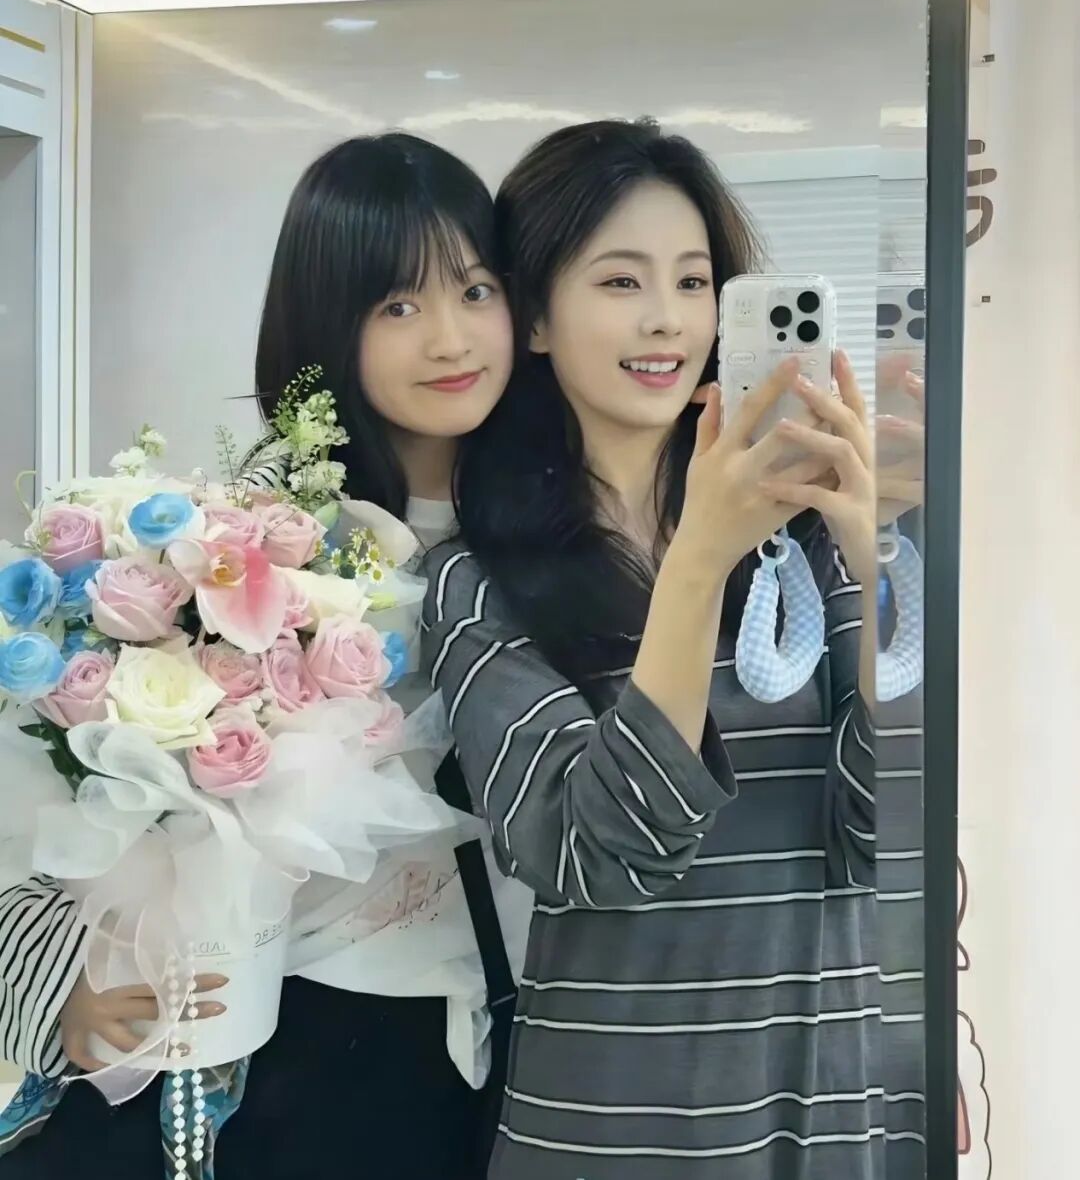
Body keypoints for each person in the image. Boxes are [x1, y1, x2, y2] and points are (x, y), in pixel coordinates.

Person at [0, 133, 528, 1179]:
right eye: (397, 305)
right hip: (253, 1040)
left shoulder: (555, 546)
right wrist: (62, 982)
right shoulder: (238, 544)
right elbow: (48, 783)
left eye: (476, 290)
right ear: (328, 321)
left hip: (448, 1042)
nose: (449, 338)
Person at [422, 119, 881, 1180]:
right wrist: (696, 564)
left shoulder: (807, 538)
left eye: (694, 281)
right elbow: (595, 857)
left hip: (826, 1098)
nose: (667, 318)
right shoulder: (476, 580)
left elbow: (894, 822)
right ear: (536, 317)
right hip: (612, 1122)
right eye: (620, 281)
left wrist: (876, 557)